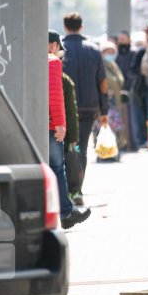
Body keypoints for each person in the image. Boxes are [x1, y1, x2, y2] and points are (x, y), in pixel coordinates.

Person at [61, 12, 108, 206]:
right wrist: (104, 110)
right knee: (81, 148)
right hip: (90, 107)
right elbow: (102, 83)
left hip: (65, 108)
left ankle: (70, 189)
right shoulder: (94, 49)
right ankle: (78, 189)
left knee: (67, 147)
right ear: (81, 27)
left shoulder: (60, 50)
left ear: (65, 27)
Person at [47, 36, 91, 229]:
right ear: (54, 45)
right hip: (49, 125)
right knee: (57, 168)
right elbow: (55, 96)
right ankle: (65, 212)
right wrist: (60, 124)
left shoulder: (24, 60)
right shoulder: (52, 62)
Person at [50, 30, 80, 199]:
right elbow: (63, 105)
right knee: (57, 168)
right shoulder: (55, 67)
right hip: (53, 128)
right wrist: (69, 133)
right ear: (54, 46)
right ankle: (65, 208)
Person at [100, 41, 127, 151]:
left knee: (116, 125)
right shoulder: (100, 66)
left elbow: (120, 81)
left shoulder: (113, 66)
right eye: (107, 52)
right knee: (108, 125)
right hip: (105, 102)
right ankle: (105, 150)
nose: (110, 55)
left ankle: (115, 148)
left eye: (112, 52)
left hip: (115, 101)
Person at [115, 31, 139, 151]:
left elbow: (133, 72)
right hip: (117, 90)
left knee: (131, 118)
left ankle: (132, 143)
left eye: (123, 39)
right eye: (120, 39)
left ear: (129, 40)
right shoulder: (116, 54)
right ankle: (121, 142)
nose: (121, 41)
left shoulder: (133, 53)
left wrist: (127, 87)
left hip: (130, 90)